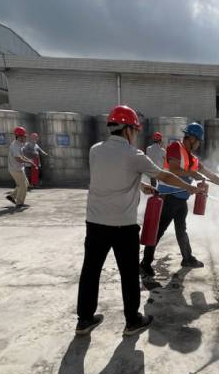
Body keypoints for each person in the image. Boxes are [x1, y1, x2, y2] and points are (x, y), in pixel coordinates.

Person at [76, 106, 199, 336]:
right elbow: (164, 175)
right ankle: (132, 321)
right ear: (128, 130)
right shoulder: (134, 155)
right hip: (122, 225)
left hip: (94, 223)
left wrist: (140, 185)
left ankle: (84, 320)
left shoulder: (95, 150)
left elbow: (110, 177)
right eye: (135, 130)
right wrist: (188, 186)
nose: (136, 134)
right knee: (129, 274)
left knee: (90, 271)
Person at [139, 122, 219, 276]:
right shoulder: (175, 147)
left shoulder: (193, 159)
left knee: (181, 229)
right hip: (168, 198)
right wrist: (192, 173)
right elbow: (173, 169)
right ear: (191, 138)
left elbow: (210, 175)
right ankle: (145, 263)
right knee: (158, 231)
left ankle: (187, 258)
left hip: (181, 199)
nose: (198, 145)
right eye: (198, 141)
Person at [6, 126, 35, 208]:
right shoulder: (15, 146)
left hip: (19, 168)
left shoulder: (20, 144)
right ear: (19, 136)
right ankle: (19, 203)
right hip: (15, 169)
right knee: (23, 186)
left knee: (25, 183)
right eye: (24, 136)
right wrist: (29, 162)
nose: (25, 138)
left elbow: (22, 156)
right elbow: (18, 159)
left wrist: (29, 160)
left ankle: (12, 196)